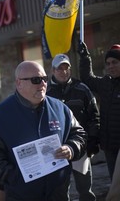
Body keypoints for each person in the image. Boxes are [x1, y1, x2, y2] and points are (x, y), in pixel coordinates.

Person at [0, 61, 87, 201]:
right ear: (19, 83)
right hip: (22, 195)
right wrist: (16, 177)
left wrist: (71, 148)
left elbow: (79, 134)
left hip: (58, 192)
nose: (42, 84)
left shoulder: (60, 108)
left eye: (44, 79)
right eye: (36, 80)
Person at [46, 54, 100, 201]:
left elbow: (94, 116)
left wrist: (93, 140)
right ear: (53, 70)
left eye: (66, 68)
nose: (64, 72)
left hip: (80, 147)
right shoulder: (46, 93)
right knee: (60, 192)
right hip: (56, 150)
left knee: (85, 190)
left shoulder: (82, 89)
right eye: (60, 69)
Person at [78, 42, 120, 179]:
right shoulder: (105, 83)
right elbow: (87, 78)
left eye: (115, 62)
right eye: (108, 63)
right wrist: (85, 57)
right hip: (109, 146)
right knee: (115, 185)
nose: (111, 66)